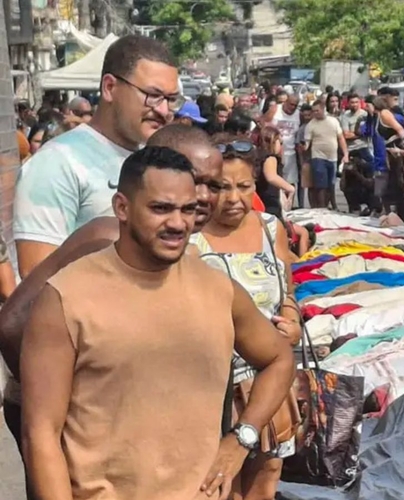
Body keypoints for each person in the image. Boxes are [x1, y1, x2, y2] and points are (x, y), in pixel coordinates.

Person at [20, 146, 295, 500]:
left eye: (187, 209)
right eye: (161, 208)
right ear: (122, 208)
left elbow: (279, 358)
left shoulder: (217, 288)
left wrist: (241, 438)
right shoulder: (65, 297)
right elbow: (41, 434)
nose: (178, 223)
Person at [0, 124, 225, 497]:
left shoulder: (186, 256)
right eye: (189, 179)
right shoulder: (108, 240)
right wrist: (69, 398)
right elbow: (11, 325)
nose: (199, 196)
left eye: (210, 184)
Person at [13, 35, 182, 278]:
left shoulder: (158, 159)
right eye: (152, 95)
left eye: (171, 99)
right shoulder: (57, 163)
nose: (164, 110)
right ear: (110, 87)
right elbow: (37, 274)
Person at [191, 136, 301, 499]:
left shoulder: (271, 228)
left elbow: (287, 291)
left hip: (268, 381)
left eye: (244, 186)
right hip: (211, 387)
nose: (234, 199)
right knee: (219, 484)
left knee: (265, 477)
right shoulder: (189, 238)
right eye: (222, 187)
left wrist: (292, 321)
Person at [304, 100, 349, 208]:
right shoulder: (310, 125)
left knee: (331, 184)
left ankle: (332, 205)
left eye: (317, 111)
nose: (315, 113)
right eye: (313, 111)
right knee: (321, 185)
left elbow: (341, 138)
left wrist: (345, 153)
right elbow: (307, 144)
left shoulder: (333, 121)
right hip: (318, 157)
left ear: (323, 109)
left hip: (332, 158)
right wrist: (303, 149)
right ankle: (322, 207)